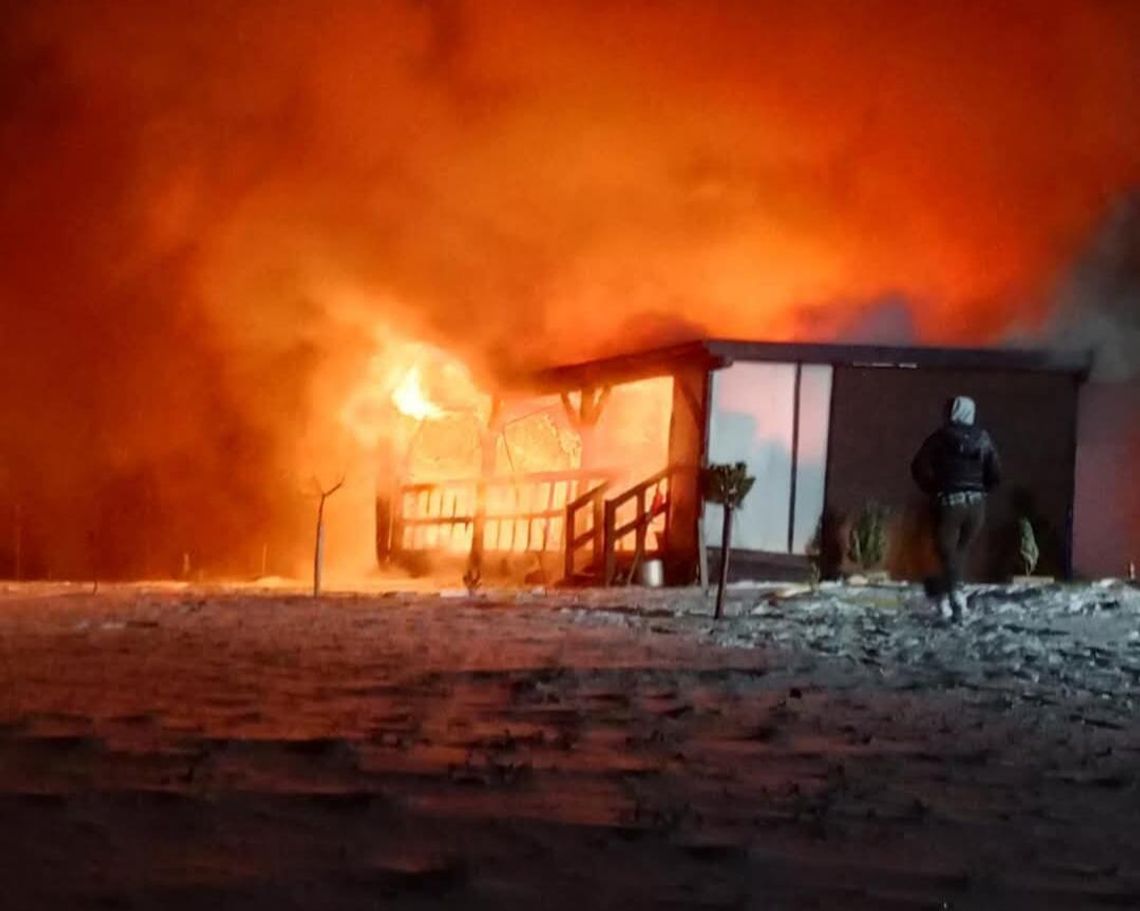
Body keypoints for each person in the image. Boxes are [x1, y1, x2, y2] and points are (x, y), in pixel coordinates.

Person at [910, 396, 1002, 620]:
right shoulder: (983, 438)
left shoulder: (939, 438)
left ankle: (953, 595)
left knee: (947, 551)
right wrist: (981, 489)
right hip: (976, 506)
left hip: (949, 503)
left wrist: (933, 487)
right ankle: (944, 598)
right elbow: (996, 472)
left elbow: (918, 466)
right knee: (957, 553)